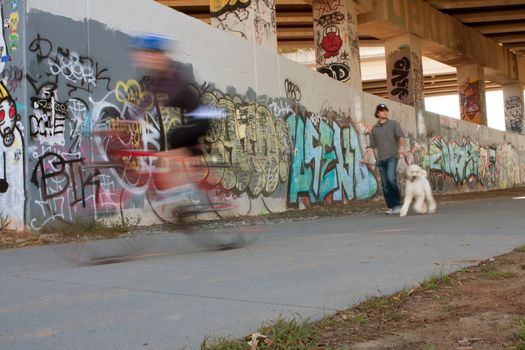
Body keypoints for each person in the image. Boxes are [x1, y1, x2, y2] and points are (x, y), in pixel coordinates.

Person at [361, 103, 406, 215]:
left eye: (386, 110)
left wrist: (401, 147)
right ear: (377, 113)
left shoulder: (394, 124)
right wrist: (365, 159)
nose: (385, 112)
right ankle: (391, 207)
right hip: (381, 160)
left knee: (391, 179)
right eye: (382, 110)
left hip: (392, 157)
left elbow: (400, 136)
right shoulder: (374, 129)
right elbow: (371, 146)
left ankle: (397, 204)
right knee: (385, 185)